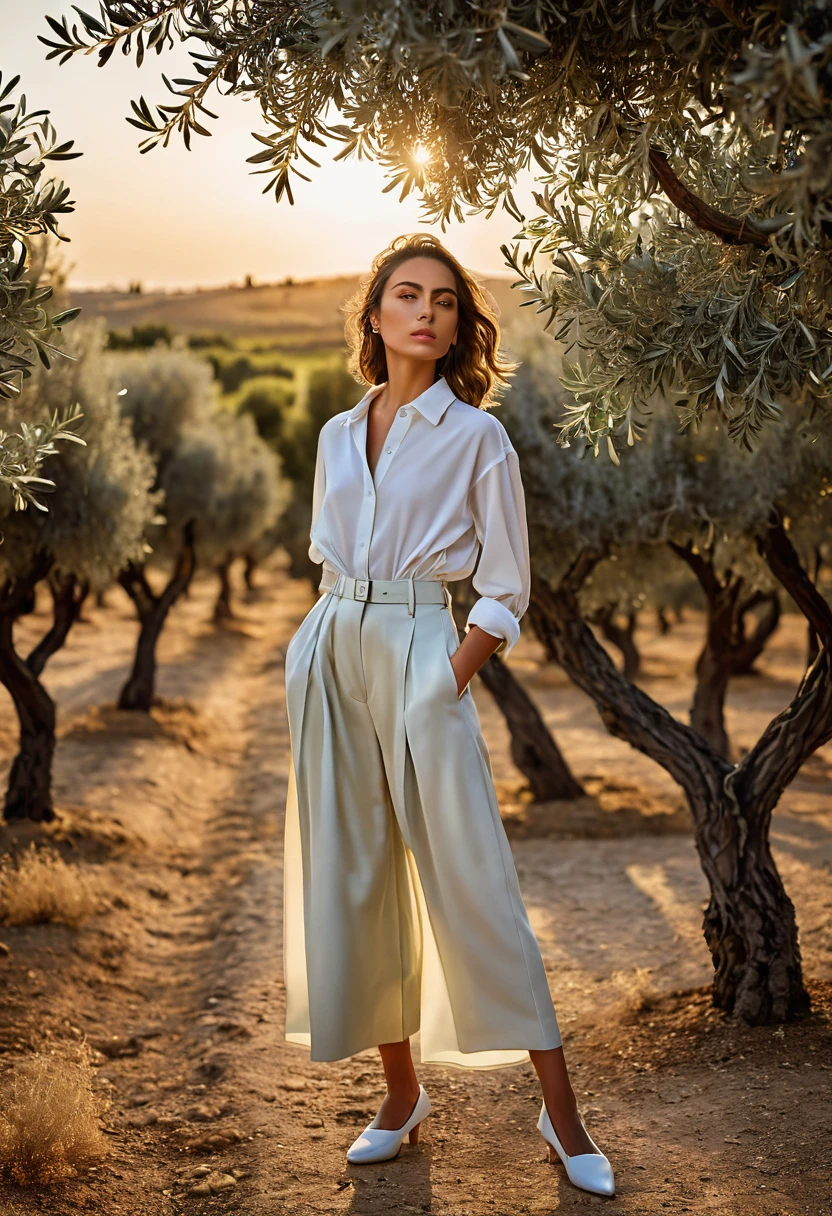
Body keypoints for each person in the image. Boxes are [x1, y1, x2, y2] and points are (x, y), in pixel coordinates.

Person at [281, 233, 615, 1198]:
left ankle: (564, 1121)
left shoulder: (478, 436)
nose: (426, 312)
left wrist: (451, 674)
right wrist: (314, 646)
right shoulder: (337, 436)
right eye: (406, 295)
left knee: (473, 877)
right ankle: (399, 1097)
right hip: (333, 643)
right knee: (354, 875)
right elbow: (326, 554)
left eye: (444, 301)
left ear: (460, 325)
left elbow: (505, 586)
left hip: (428, 650)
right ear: (375, 316)